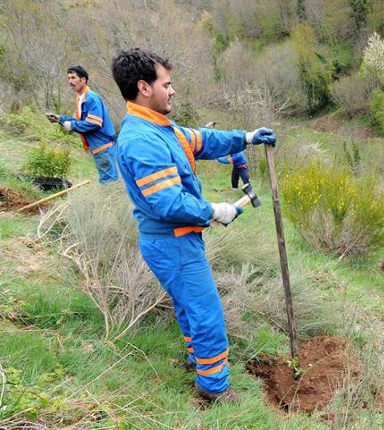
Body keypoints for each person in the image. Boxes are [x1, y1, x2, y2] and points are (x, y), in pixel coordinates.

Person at [111, 48, 276, 404]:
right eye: (166, 85)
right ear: (144, 87)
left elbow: (201, 140)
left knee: (189, 306)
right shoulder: (141, 140)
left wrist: (245, 138)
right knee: (206, 312)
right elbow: (167, 202)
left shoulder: (160, 128)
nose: (172, 91)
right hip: (171, 243)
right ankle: (215, 388)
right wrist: (216, 210)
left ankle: (199, 363)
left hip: (178, 240)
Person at [45, 66, 119, 183]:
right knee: (111, 181)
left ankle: (110, 201)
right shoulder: (80, 98)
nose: (70, 81)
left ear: (83, 80)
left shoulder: (91, 98)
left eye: (73, 78)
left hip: (102, 146)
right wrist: (60, 119)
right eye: (69, 78)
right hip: (97, 146)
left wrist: (72, 126)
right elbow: (77, 120)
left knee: (108, 182)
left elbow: (94, 123)